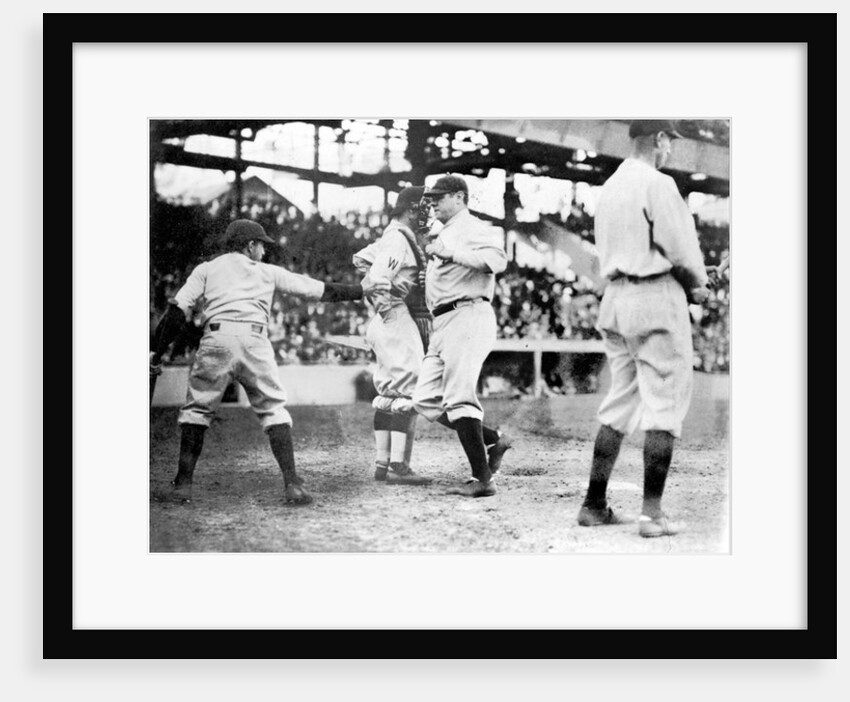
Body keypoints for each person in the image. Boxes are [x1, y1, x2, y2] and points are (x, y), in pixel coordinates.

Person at [150, 219, 389, 506]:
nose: (263, 251)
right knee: (274, 409)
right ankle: (293, 484)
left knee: (197, 411)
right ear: (250, 245)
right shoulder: (267, 272)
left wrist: (156, 352)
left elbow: (177, 311)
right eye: (261, 245)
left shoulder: (206, 269)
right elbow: (318, 290)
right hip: (255, 340)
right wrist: (361, 290)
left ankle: (182, 485)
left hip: (217, 338)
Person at [576, 120, 709, 537]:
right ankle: (652, 515)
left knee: (620, 401)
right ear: (660, 139)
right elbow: (682, 252)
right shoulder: (658, 183)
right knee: (665, 404)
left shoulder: (610, 186)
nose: (670, 151)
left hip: (616, 298)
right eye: (670, 143)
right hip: (655, 296)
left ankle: (593, 504)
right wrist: (699, 286)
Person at [412, 174, 513, 498]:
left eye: (439, 197)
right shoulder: (443, 233)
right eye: (431, 198)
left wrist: (452, 255)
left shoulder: (473, 227)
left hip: (467, 314)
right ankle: (493, 439)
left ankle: (482, 478)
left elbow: (498, 261)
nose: (433, 203)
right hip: (443, 321)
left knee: (458, 398)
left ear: (459, 197)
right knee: (425, 399)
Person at [352, 186, 432, 486]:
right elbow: (377, 277)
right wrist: (387, 304)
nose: (428, 213)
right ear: (411, 208)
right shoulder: (399, 238)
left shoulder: (395, 235)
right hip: (394, 316)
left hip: (386, 319)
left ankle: (382, 464)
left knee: (388, 393)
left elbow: (361, 259)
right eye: (423, 207)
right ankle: (399, 465)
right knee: (409, 389)